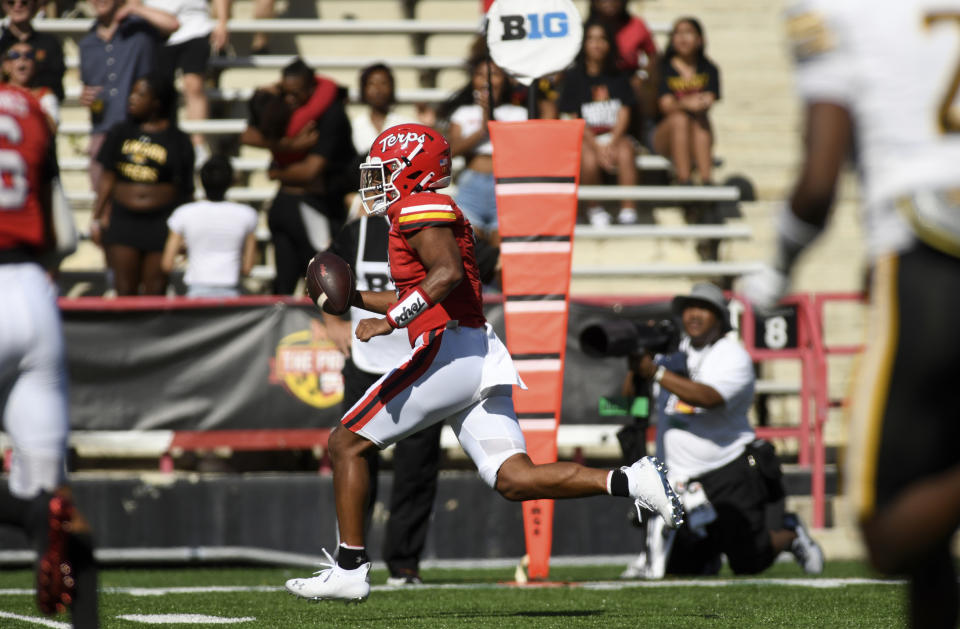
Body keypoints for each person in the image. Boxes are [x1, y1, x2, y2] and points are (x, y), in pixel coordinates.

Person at [283, 123, 684, 603]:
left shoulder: (418, 205)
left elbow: (447, 274)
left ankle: (350, 567)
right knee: (514, 478)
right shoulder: (417, 210)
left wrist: (391, 322)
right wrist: (354, 301)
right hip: (473, 351)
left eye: (386, 171)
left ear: (412, 171)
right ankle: (632, 480)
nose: (377, 181)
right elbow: (425, 286)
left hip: (449, 349)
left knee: (346, 443)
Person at [742, 1, 960, 625]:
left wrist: (777, 267)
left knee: (889, 534)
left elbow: (817, 185)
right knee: (929, 549)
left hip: (930, 256)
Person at [620, 283, 823, 579]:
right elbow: (628, 405)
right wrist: (635, 364)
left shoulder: (732, 356)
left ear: (720, 317)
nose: (693, 314)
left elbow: (709, 398)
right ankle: (707, 556)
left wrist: (655, 372)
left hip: (727, 470)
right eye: (689, 307)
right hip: (677, 478)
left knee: (749, 560)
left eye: (703, 308)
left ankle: (790, 532)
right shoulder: (669, 353)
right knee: (681, 569)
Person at [0, 83, 98, 628]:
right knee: (58, 498)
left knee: (39, 505)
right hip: (32, 294)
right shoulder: (31, 108)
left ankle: (28, 510)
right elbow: (64, 231)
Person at [324, 213, 442, 585]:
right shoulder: (358, 230)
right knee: (354, 459)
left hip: (420, 362)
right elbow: (322, 273)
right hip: (367, 364)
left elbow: (460, 277)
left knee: (416, 470)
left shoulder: (433, 227)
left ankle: (405, 564)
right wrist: (331, 319)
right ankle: (351, 559)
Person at [240, 58, 356, 295]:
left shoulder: (331, 113)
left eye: (297, 94)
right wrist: (288, 145)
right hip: (294, 206)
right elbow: (247, 135)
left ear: (312, 88)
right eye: (287, 93)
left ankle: (317, 332)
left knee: (318, 281)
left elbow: (310, 171)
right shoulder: (278, 103)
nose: (291, 100)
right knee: (286, 283)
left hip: (315, 205)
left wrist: (278, 172)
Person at [90, 73, 195, 296]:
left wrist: (185, 232)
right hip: (123, 222)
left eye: (140, 94)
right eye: (132, 92)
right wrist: (97, 217)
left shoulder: (178, 140)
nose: (132, 98)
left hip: (160, 224)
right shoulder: (120, 132)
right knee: (124, 290)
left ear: (157, 102)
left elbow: (186, 190)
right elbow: (107, 178)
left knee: (155, 292)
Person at [78, 0, 179, 193]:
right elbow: (89, 87)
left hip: (138, 130)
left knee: (140, 193)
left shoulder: (139, 31)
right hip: (103, 129)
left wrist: (135, 8)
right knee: (102, 193)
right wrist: (85, 97)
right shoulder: (87, 44)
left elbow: (172, 24)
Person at [557, 19, 642, 226]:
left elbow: (624, 110)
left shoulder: (619, 76)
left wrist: (612, 141)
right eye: (591, 38)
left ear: (610, 44)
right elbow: (572, 116)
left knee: (626, 151)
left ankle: (628, 209)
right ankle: (594, 208)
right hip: (586, 137)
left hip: (616, 135)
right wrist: (596, 145)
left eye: (602, 39)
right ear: (583, 43)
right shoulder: (573, 78)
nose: (596, 44)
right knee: (587, 157)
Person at [442, 55, 527, 248]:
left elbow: (519, 151)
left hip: (505, 186)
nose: (487, 79)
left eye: (494, 74)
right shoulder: (463, 114)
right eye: (480, 74)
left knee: (501, 255)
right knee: (472, 252)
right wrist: (482, 129)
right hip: (472, 185)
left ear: (504, 81)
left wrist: (491, 119)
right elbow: (451, 151)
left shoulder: (518, 114)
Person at [142, 0, 232, 160]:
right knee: (160, 90)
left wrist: (223, 21)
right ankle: (163, 141)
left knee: (193, 84)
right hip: (155, 26)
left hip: (196, 26)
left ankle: (197, 146)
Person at [161, 155, 257, 297]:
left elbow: (167, 264)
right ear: (231, 181)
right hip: (231, 292)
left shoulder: (184, 213)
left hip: (196, 293)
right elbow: (247, 267)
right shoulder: (247, 214)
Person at [652, 17, 720, 187]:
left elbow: (709, 99)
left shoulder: (709, 68)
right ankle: (684, 180)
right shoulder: (662, 68)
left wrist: (696, 103)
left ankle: (706, 180)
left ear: (700, 39)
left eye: (688, 33)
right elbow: (665, 106)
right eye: (678, 33)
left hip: (698, 130)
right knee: (679, 119)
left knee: (699, 119)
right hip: (663, 134)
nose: (682, 38)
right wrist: (686, 103)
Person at [586, 0, 659, 146]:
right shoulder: (586, 27)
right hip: (595, 80)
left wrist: (642, 76)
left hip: (628, 80)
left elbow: (653, 55)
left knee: (635, 91)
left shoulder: (636, 25)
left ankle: (638, 138)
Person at [0, 0, 66, 102]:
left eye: (24, 2)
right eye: (11, 2)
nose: (17, 6)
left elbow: (56, 86)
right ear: (4, 6)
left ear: (34, 5)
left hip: (39, 107)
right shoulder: (1, 43)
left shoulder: (49, 44)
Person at [2, 41, 59, 130]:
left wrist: (28, 102)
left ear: (35, 65)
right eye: (15, 55)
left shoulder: (44, 95)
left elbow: (52, 129)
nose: (23, 58)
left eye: (29, 55)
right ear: (6, 65)